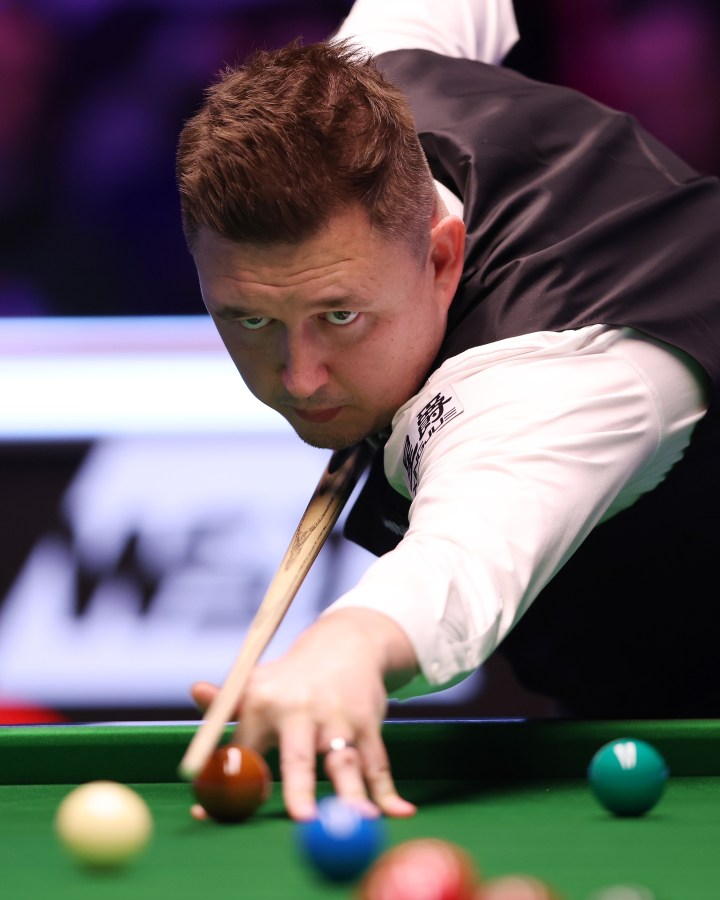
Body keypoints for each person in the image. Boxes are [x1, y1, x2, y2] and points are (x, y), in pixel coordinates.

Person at [176, 0, 720, 821]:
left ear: (441, 255)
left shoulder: (555, 375)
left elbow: (462, 560)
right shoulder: (363, 90)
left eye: (340, 315)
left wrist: (346, 645)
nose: (302, 376)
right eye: (251, 321)